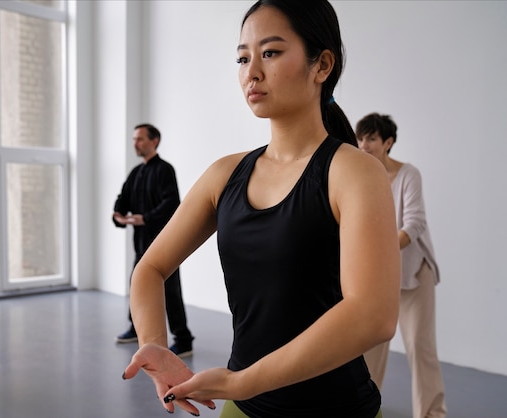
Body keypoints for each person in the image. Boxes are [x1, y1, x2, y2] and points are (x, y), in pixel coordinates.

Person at [122, 1, 401, 417]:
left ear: (322, 65)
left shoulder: (355, 173)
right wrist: (155, 346)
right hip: (244, 409)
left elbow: (373, 315)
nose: (251, 71)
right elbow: (149, 268)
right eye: (242, 57)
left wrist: (241, 382)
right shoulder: (225, 175)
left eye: (270, 53)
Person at [356, 113, 447, 418]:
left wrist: (380, 251)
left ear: (388, 143)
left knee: (421, 349)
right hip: (379, 277)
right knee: (368, 349)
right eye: (360, 138)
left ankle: (432, 414)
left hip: (413, 274)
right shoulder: (361, 177)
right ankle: (364, 408)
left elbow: (415, 224)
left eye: (371, 138)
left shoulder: (409, 175)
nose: (363, 144)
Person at [112, 123, 194, 358]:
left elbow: (171, 205)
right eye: (134, 139)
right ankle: (137, 329)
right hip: (141, 244)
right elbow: (123, 198)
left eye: (139, 139)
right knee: (136, 285)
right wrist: (118, 213)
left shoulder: (165, 170)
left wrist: (144, 218)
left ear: (154, 141)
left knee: (170, 291)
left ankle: (184, 339)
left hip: (165, 244)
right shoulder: (136, 172)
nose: (135, 143)